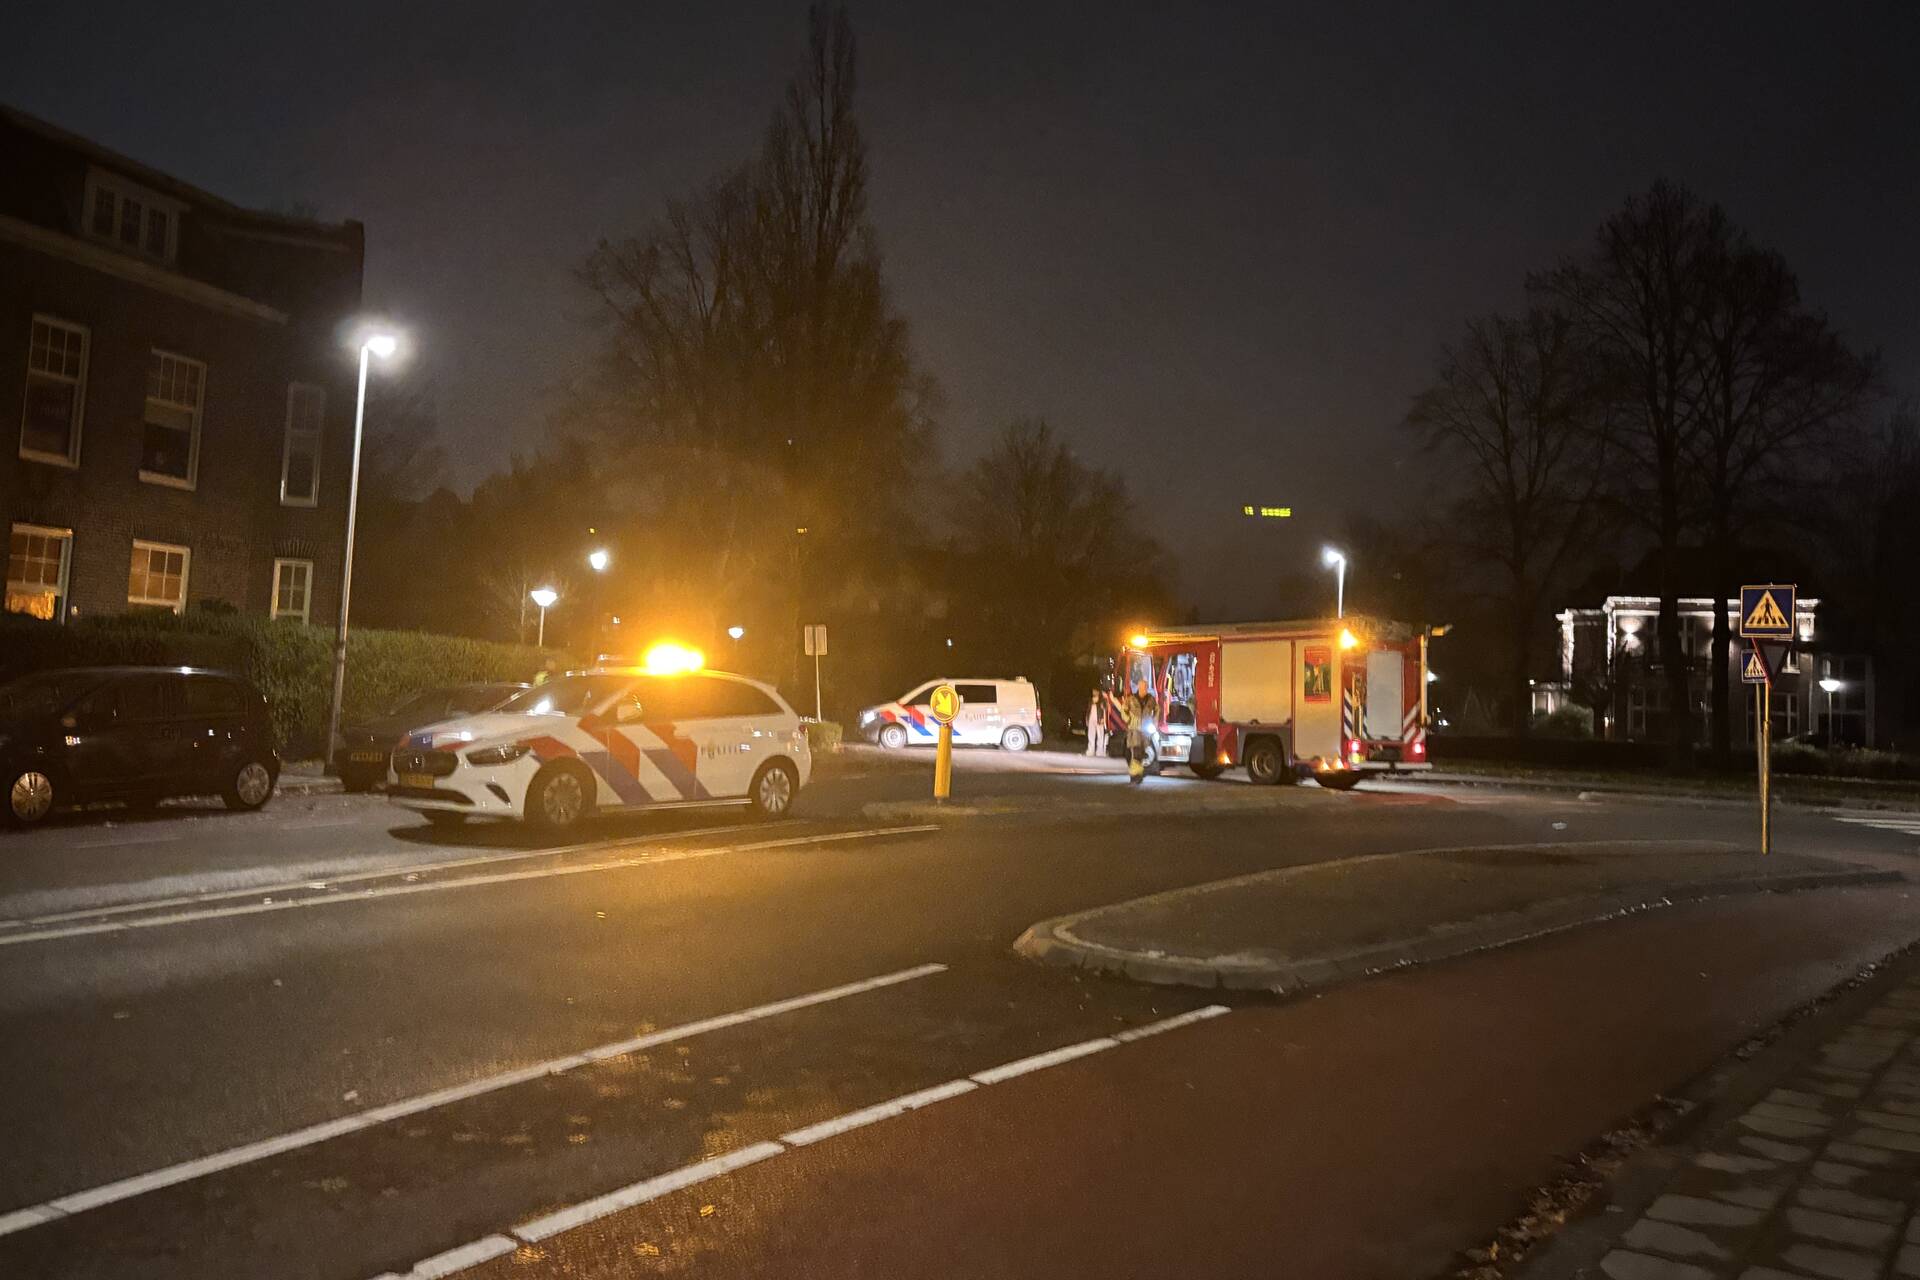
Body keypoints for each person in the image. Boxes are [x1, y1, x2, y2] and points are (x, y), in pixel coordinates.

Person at [1121, 679, 1156, 785]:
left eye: (1145, 687)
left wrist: (1155, 721)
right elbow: (1123, 710)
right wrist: (1128, 720)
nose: (1143, 689)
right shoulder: (1131, 699)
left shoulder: (1151, 700)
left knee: (1141, 754)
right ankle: (1134, 776)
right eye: (1142, 687)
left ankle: (1138, 775)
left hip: (1145, 732)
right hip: (1134, 729)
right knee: (1135, 752)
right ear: (1138, 687)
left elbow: (1157, 710)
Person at [1085, 686, 1109, 757]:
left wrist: (1103, 719)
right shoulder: (1090, 700)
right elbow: (1088, 710)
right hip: (1091, 719)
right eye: (1093, 691)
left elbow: (1105, 709)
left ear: (1098, 692)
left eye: (1095, 691)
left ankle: (1099, 751)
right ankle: (1091, 750)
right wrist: (1087, 719)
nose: (1094, 692)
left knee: (1100, 735)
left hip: (1099, 720)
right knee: (1091, 735)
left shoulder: (1102, 700)